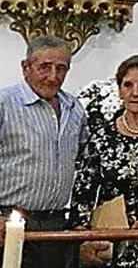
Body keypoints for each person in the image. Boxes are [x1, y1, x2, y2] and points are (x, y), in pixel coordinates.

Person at [71, 54, 138, 268]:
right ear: (119, 90)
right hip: (109, 242)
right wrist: (82, 239)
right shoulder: (102, 136)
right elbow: (83, 191)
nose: (135, 92)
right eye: (128, 85)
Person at [0, 36, 86, 268]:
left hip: (55, 223)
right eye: (44, 67)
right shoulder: (4, 104)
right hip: (8, 220)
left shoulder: (74, 108)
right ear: (25, 67)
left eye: (61, 69)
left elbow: (83, 159)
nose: (53, 76)